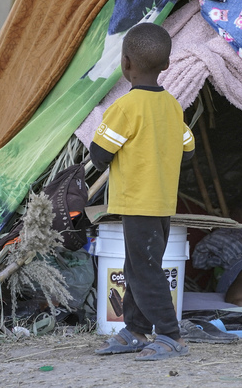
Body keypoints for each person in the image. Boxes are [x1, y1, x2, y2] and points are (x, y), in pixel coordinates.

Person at [90, 23, 195, 361]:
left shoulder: (125, 108)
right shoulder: (173, 107)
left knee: (145, 270)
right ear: (166, 65)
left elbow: (99, 155)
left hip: (138, 202)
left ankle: (169, 335)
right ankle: (135, 330)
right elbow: (188, 151)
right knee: (137, 266)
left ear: (125, 64)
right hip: (161, 202)